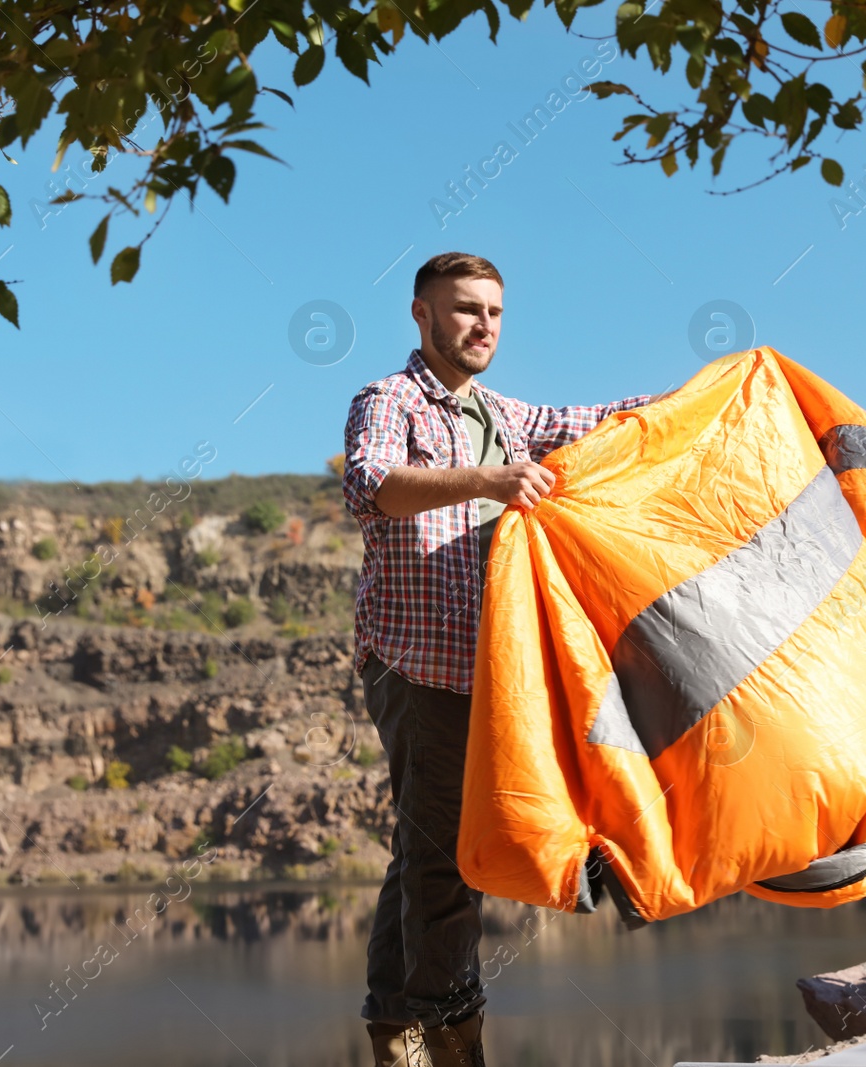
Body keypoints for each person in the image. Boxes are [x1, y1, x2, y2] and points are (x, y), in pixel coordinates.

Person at [341, 251, 654, 1066]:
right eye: (465, 309)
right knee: (448, 855)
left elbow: (607, 417)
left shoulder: (506, 412)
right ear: (421, 315)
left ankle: (396, 1040)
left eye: (495, 313)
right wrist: (488, 478)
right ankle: (451, 1042)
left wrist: (715, 393)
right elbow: (372, 483)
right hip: (415, 665)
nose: (483, 326)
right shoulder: (388, 400)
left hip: (484, 673)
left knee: (423, 847)